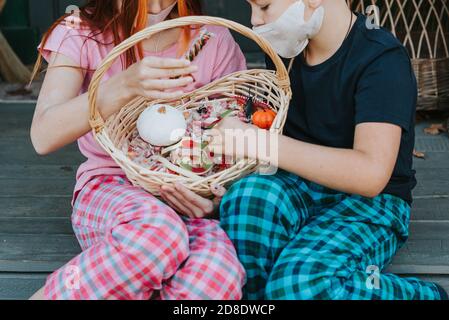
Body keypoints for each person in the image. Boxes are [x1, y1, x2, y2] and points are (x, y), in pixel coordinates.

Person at [208, 0, 449, 300]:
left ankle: (423, 296)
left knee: (298, 284)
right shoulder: (288, 51)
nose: (255, 21)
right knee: (246, 201)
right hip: (299, 183)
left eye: (265, 6)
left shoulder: (382, 59)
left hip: (371, 202)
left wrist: (260, 143)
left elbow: (370, 175)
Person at [29, 0, 247, 300]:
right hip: (110, 185)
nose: (156, 4)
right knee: (157, 235)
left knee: (215, 276)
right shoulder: (79, 32)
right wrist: (122, 86)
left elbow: (233, 142)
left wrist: (211, 199)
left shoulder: (211, 37)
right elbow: (43, 135)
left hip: (184, 199)